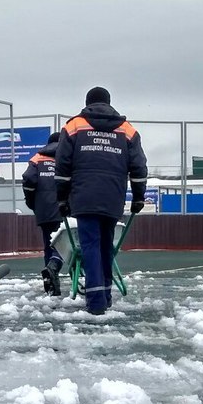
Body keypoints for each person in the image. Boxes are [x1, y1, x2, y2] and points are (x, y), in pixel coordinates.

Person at [54, 86, 147, 315]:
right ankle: (105, 295)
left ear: (87, 103)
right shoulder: (127, 131)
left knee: (90, 246)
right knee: (107, 246)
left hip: (84, 197)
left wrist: (62, 198)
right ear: (109, 103)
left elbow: (63, 165)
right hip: (113, 197)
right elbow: (138, 166)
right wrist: (138, 196)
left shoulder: (74, 126)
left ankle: (96, 302)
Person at [22, 131, 65, 296]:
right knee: (66, 244)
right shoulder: (67, 157)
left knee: (49, 245)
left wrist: (32, 202)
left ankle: (51, 285)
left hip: (44, 211)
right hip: (65, 210)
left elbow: (29, 180)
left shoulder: (37, 159)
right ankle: (54, 266)